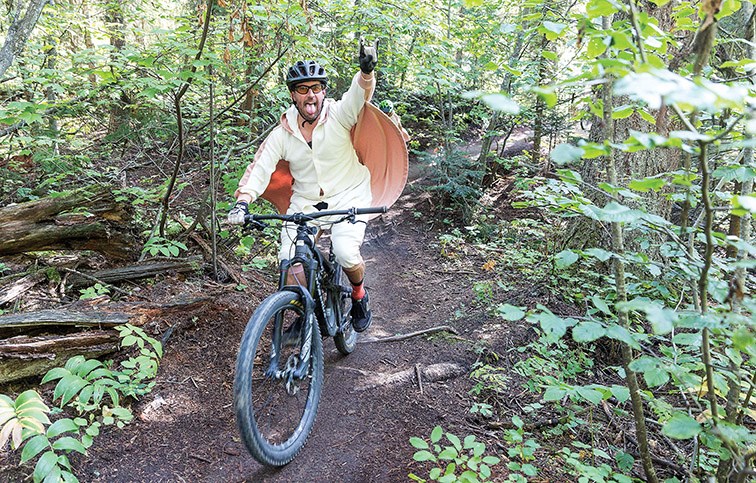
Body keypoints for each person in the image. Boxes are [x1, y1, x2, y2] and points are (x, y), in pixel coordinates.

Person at [227, 41, 380, 333]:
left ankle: (359, 294)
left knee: (346, 251)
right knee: (289, 263)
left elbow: (358, 96)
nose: (310, 94)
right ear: (293, 95)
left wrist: (366, 71)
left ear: (323, 91)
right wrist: (243, 200)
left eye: (316, 87)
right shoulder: (283, 132)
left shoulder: (339, 114)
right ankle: (302, 309)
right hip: (306, 201)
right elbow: (260, 167)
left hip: (349, 194)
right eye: (302, 89)